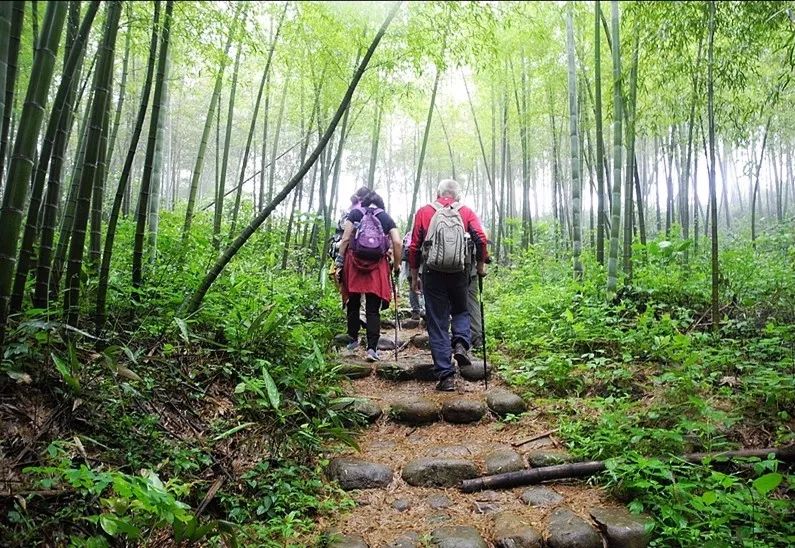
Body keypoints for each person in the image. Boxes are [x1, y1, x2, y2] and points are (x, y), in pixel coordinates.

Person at [408, 179, 488, 391]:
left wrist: (414, 275)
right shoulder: (466, 212)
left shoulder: (425, 211)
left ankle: (446, 376)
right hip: (460, 272)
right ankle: (461, 342)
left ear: (438, 193)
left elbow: (414, 246)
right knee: (461, 310)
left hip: (432, 273)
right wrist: (480, 266)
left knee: (437, 322)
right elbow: (481, 238)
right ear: (457, 195)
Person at [338, 191, 402, 362]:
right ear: (380, 204)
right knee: (373, 308)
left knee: (354, 301)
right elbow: (397, 242)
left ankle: (352, 340)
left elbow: (345, 239)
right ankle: (372, 349)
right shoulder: (386, 217)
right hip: (377, 265)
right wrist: (396, 265)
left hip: (354, 262)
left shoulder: (355, 213)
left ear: (364, 203)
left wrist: (339, 260)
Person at [401, 231, 425, 320]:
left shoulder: (409, 234)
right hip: (421, 263)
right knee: (423, 288)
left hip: (409, 264)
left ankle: (416, 312)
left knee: (412, 287)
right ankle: (424, 310)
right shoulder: (424, 232)